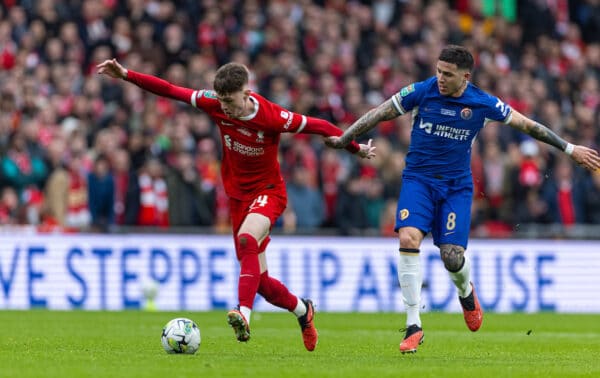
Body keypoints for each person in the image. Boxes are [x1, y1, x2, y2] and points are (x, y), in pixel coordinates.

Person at [326, 45, 600, 354]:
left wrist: (569, 148)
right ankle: (414, 324)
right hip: (418, 180)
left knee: (452, 256)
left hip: (456, 188)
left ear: (465, 76)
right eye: (438, 71)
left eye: (447, 74)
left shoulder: (482, 103)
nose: (440, 78)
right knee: (408, 237)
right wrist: (346, 138)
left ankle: (466, 292)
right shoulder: (422, 91)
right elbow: (379, 113)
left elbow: (528, 126)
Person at [97, 58, 376, 351]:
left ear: (247, 92)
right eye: (222, 100)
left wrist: (355, 148)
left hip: (269, 192)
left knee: (246, 239)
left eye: (230, 100)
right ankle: (303, 311)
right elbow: (169, 89)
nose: (225, 107)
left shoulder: (272, 116)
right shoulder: (214, 103)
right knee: (264, 284)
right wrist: (127, 74)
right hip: (237, 198)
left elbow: (320, 125)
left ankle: (243, 312)